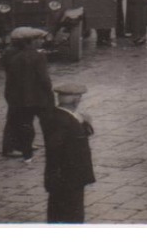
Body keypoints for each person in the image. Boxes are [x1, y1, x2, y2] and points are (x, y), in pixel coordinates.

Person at [43, 82, 95, 224]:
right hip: (68, 180)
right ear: (76, 100)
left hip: (65, 178)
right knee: (71, 216)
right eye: (79, 97)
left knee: (60, 214)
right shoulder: (65, 121)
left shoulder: (58, 116)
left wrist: (83, 123)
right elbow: (58, 149)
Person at [1, 27, 52, 161]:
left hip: (14, 93)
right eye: (39, 39)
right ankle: (11, 147)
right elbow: (44, 79)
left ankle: (23, 144)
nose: (41, 42)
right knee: (15, 120)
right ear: (30, 41)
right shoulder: (35, 56)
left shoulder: (10, 53)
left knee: (19, 119)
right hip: (28, 94)